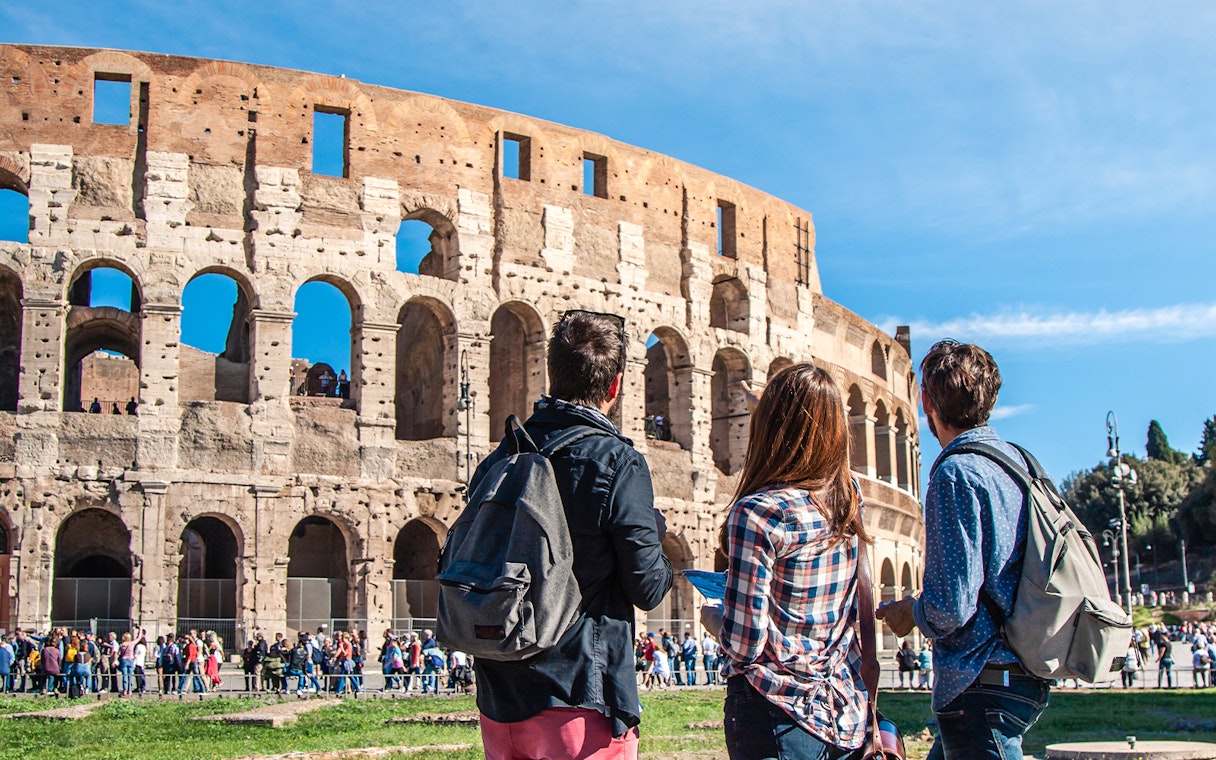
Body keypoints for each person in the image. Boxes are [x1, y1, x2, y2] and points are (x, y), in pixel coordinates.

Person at [471, 310, 673, 760]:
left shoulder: (502, 455)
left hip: (498, 697)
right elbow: (649, 588)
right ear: (616, 385)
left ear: (551, 373)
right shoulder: (618, 462)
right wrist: (655, 539)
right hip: (579, 694)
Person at [877, 340, 1050, 760]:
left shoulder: (956, 473)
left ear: (925, 402)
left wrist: (910, 613)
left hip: (980, 679)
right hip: (1022, 666)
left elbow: (952, 607)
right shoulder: (1016, 463)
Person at [700, 363, 870, 760]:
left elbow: (745, 646)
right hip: (839, 707)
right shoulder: (848, 498)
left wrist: (713, 618)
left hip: (774, 710)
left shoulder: (757, 513)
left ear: (768, 428)